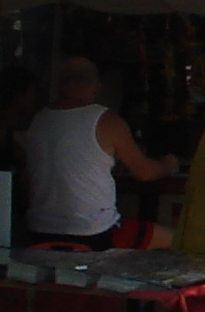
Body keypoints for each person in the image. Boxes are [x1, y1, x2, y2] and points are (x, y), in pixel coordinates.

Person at [21, 57, 181, 249]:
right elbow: (144, 172)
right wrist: (168, 165)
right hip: (95, 233)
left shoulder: (38, 120)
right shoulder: (106, 120)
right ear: (97, 87)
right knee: (176, 240)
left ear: (58, 85)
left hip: (39, 231)